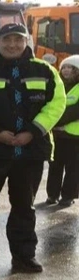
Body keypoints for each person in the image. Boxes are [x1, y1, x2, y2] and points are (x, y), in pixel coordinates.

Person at [0, 24, 66, 272]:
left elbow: (56, 104)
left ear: (26, 42)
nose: (12, 45)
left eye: (18, 40)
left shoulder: (45, 70)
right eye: (7, 40)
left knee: (24, 207)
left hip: (31, 152)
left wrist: (32, 131)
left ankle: (23, 256)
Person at [46, 56, 79, 208]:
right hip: (57, 135)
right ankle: (52, 195)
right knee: (55, 166)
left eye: (70, 68)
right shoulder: (56, 85)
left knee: (73, 169)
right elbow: (49, 106)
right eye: (63, 67)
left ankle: (67, 196)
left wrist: (54, 120)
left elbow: (75, 111)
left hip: (75, 137)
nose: (66, 70)